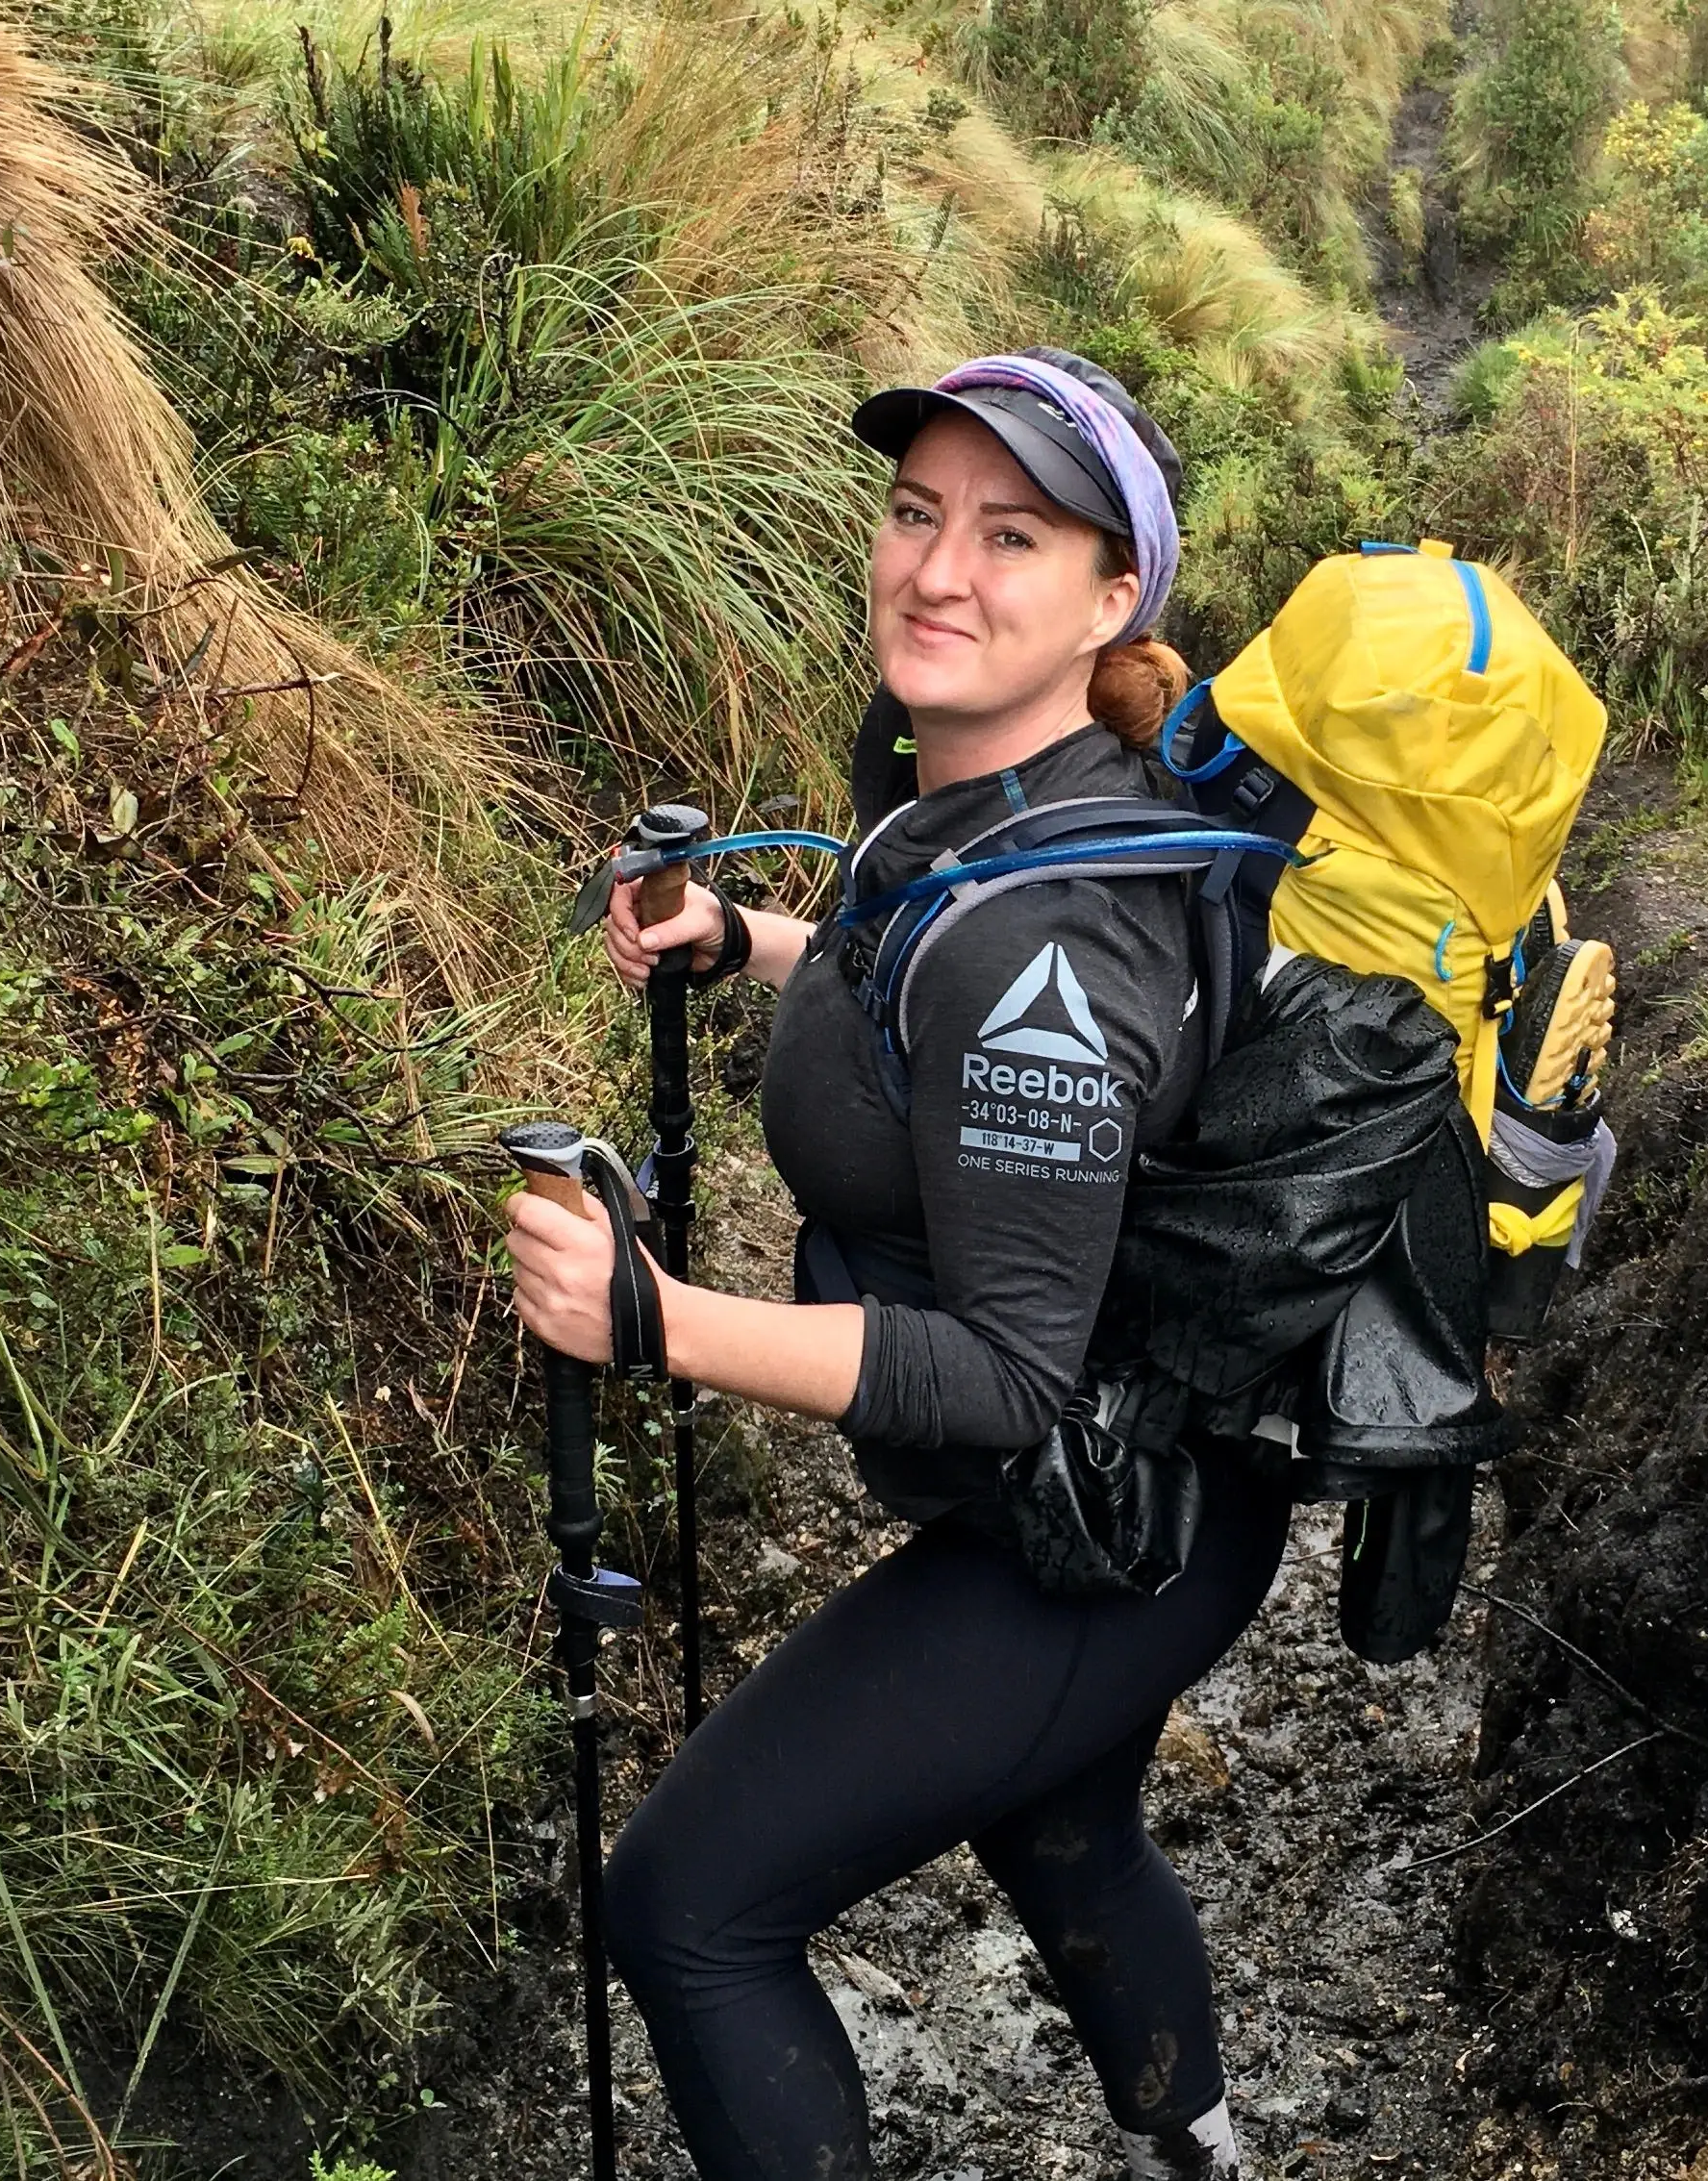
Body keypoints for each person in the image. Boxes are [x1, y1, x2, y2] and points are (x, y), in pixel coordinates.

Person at [505, 349, 1279, 2181]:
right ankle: (1208, 2153)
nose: (937, 568)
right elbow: (917, 983)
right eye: (918, 512)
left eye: (1010, 536)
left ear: (1111, 598)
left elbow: (1007, 1376)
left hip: (1109, 1536)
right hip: (1159, 1470)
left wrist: (652, 1318)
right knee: (1059, 1822)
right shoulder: (1006, 798)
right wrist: (745, 940)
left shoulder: (1047, 930)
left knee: (689, 1905)